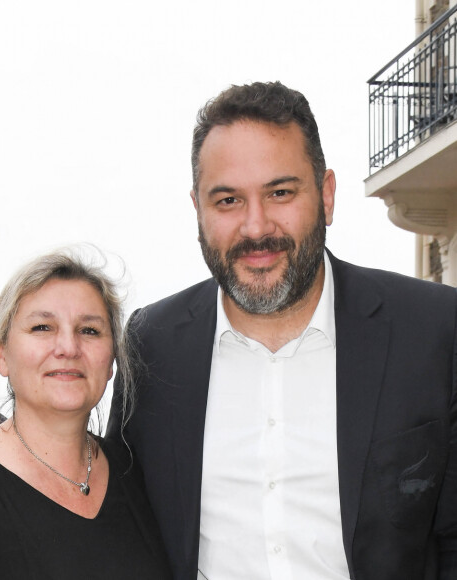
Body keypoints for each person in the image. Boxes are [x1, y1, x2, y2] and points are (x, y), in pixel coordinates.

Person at [107, 81, 457, 580]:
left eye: (280, 192)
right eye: (227, 200)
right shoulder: (149, 345)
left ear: (327, 195)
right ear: (198, 211)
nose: (256, 227)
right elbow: (120, 524)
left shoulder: (435, 331)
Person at [0, 249, 171, 580]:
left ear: (110, 363)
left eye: (90, 330)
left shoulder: (135, 474)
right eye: (42, 327)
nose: (68, 347)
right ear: (2, 354)